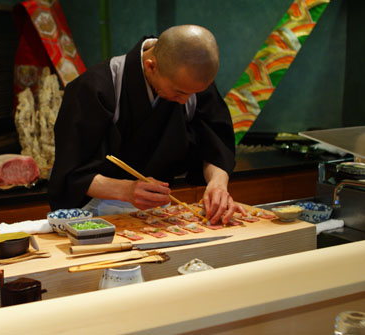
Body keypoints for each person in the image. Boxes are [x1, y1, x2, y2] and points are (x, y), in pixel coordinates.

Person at [48, 25, 246, 224]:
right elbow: (70, 173)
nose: (185, 101)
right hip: (98, 213)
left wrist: (218, 184)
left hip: (158, 214)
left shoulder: (188, 82)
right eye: (179, 93)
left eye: (192, 94)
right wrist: (126, 190)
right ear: (152, 66)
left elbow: (215, 145)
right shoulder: (96, 87)